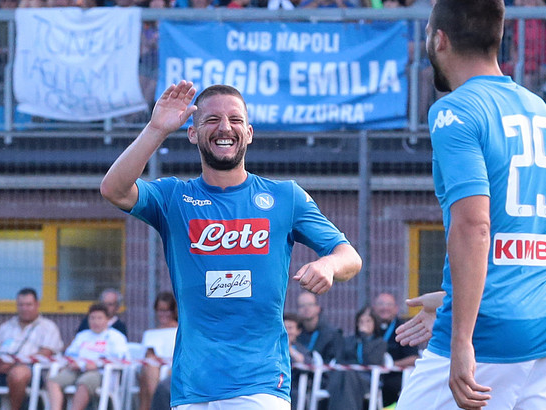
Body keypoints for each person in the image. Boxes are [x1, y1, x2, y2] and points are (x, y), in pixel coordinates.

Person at [99, 82, 362, 409]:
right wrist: (155, 129)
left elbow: (349, 256)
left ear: (249, 133)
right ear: (193, 134)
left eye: (235, 120)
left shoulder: (285, 197)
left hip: (261, 383)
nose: (225, 127)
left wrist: (328, 265)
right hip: (192, 387)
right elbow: (113, 189)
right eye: (211, 120)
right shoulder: (173, 199)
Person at [394, 0, 546, 408]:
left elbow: (475, 226)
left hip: (490, 333)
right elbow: (521, 240)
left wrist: (462, 337)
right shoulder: (542, 111)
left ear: (439, 39)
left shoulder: (454, 110)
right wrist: (451, 297)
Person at [0, 288, 64, 410]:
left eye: (28, 305)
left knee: (17, 374)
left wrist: (14, 362)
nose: (24, 308)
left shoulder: (48, 327)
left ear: (37, 305)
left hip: (29, 371)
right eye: (21, 305)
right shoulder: (7, 326)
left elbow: (46, 353)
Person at [46, 303, 130, 410]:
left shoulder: (116, 337)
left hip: (101, 373)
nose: (95, 322)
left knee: (84, 382)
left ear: (107, 320)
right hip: (77, 370)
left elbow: (120, 358)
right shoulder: (82, 335)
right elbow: (69, 354)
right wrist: (72, 362)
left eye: (99, 318)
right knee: (53, 382)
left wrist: (98, 364)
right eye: (92, 318)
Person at [326, 306, 386, 410]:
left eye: (368, 321)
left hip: (367, 379)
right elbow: (340, 360)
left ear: (374, 323)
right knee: (344, 376)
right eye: (361, 321)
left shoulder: (380, 343)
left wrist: (364, 339)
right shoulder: (350, 340)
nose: (364, 325)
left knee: (347, 376)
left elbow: (371, 362)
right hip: (346, 377)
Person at [371, 293, 418, 406]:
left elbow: (414, 358)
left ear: (396, 308)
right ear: (374, 308)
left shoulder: (404, 328)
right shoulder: (370, 326)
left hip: (395, 377)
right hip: (370, 375)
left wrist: (390, 365)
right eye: (380, 304)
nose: (384, 308)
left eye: (388, 304)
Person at [139, 291, 179, 410]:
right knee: (150, 366)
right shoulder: (150, 333)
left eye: (166, 310)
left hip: (174, 369)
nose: (163, 314)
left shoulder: (180, 330)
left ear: (173, 311)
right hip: (153, 370)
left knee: (149, 372)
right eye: (160, 310)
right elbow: (147, 355)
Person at [296, 291, 343, 364]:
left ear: (318, 308)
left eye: (310, 304)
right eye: (302, 305)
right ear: (298, 310)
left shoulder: (332, 334)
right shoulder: (296, 333)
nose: (306, 308)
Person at [284, 312, 310, 410]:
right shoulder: (273, 348)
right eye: (284, 327)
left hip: (295, 386)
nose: (286, 331)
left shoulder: (302, 349)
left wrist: (290, 349)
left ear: (298, 331)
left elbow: (307, 365)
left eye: (290, 328)